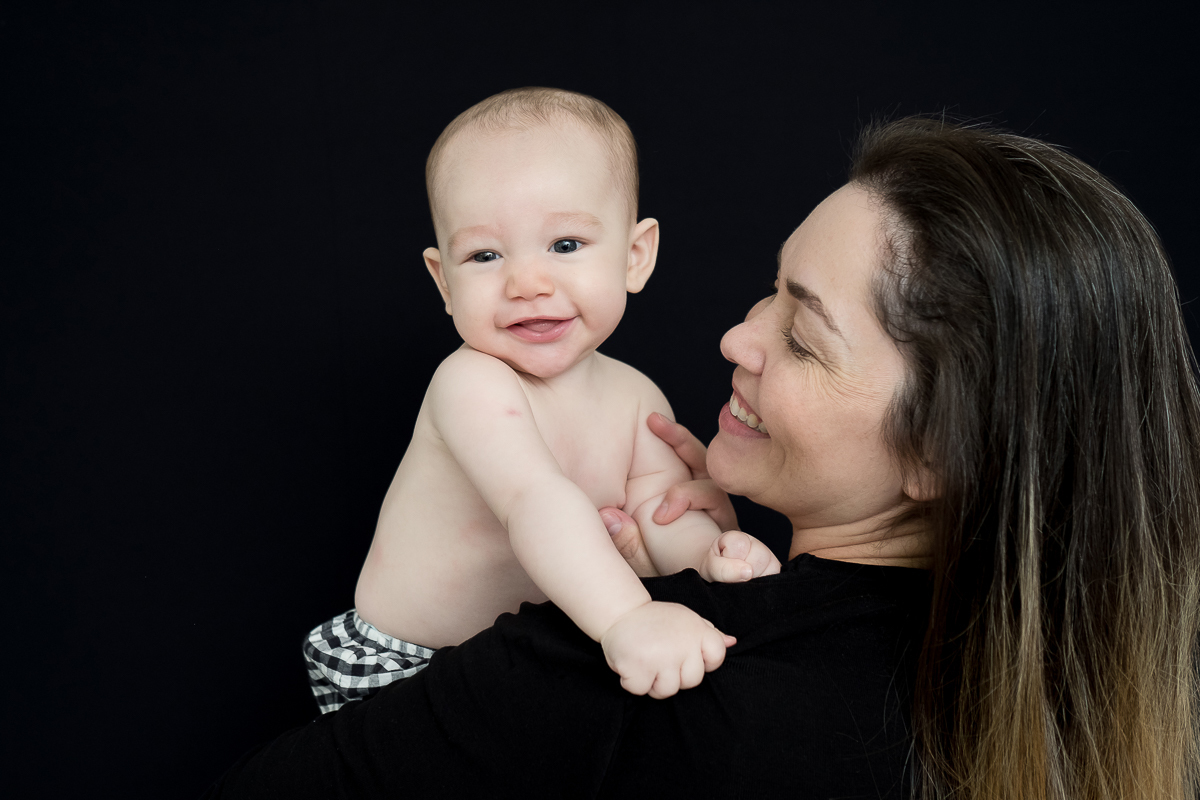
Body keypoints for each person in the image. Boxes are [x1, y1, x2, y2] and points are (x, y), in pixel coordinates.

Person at [205, 117, 1200, 799]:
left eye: (803, 336)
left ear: (941, 448)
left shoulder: (632, 681)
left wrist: (628, 610)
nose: (738, 336)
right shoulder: (1060, 713)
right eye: (771, 287)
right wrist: (702, 551)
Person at [304, 87, 781, 714]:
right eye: (485, 255)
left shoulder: (636, 395)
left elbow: (656, 514)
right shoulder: (471, 383)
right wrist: (627, 618)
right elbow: (535, 500)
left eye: (564, 245)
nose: (527, 284)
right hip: (408, 664)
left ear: (635, 257)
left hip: (539, 650)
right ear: (443, 281)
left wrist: (707, 558)